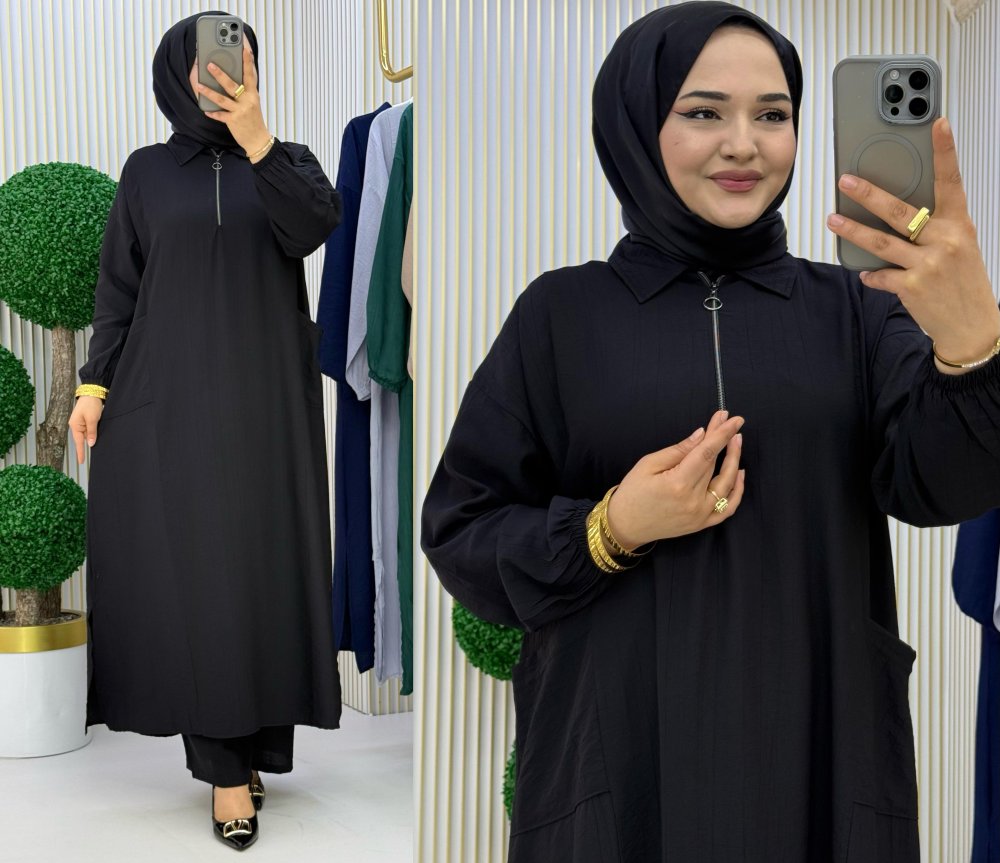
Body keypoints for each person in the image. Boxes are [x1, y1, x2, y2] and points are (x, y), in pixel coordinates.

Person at [420, 3, 1000, 861]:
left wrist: (972, 347)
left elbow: (942, 486)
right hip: (617, 755)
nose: (744, 144)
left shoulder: (857, 311)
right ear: (635, 125)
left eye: (772, 114)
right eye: (703, 112)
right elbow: (461, 531)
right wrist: (610, 527)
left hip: (820, 750)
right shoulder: (561, 315)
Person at [68, 13, 342, 851]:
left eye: (241, 58)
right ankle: (225, 769)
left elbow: (314, 227)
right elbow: (120, 287)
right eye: (211, 63)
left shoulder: (288, 161)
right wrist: (92, 383)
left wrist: (258, 139)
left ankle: (255, 750)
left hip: (268, 404)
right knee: (199, 577)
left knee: (263, 569)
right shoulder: (146, 173)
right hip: (171, 402)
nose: (226, 72)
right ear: (176, 75)